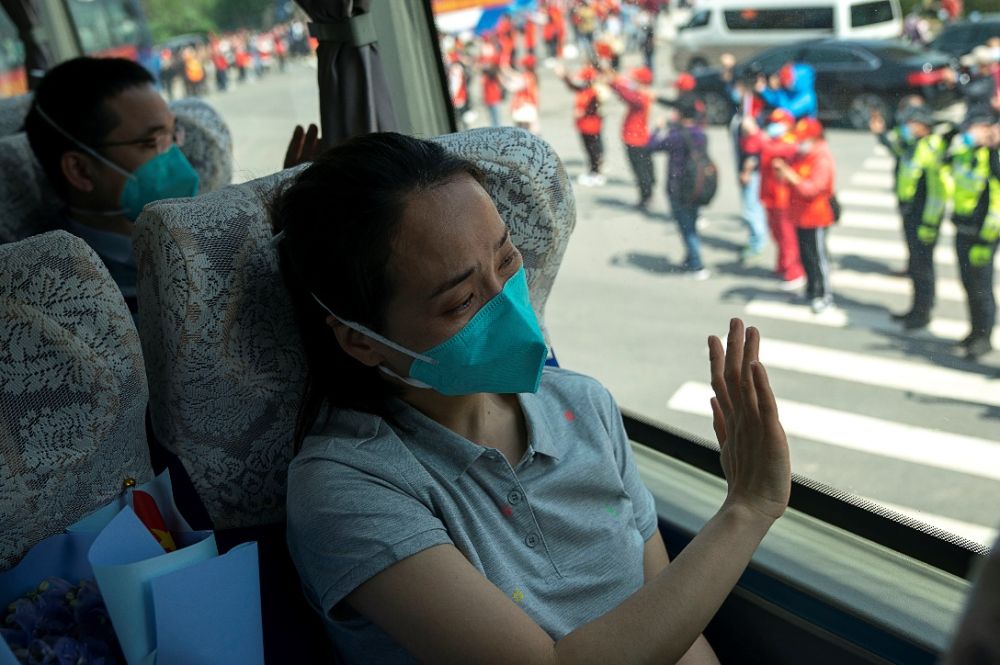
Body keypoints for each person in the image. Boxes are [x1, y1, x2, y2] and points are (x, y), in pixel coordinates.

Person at [272, 131, 791, 664]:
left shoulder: (584, 406)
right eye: (461, 301)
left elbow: (668, 625)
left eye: (506, 260)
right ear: (361, 340)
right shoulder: (347, 487)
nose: (506, 303)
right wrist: (747, 508)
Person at [22, 57, 201, 313]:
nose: (174, 156)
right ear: (80, 170)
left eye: (172, 135)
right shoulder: (58, 292)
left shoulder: (205, 232)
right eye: (151, 142)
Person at [883, 105, 949, 330]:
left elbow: (938, 192)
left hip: (925, 218)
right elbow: (896, 151)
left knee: (923, 267)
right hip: (910, 212)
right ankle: (916, 308)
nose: (907, 127)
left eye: (911, 123)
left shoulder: (933, 148)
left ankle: (923, 312)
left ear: (923, 126)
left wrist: (930, 223)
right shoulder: (914, 143)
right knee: (916, 265)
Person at [946, 109, 999, 360]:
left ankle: (984, 338)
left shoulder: (995, 156)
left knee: (982, 287)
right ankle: (974, 331)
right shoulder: (966, 151)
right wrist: (965, 140)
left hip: (985, 234)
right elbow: (945, 156)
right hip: (963, 227)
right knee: (968, 283)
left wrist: (993, 145)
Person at [772, 118, 836, 313]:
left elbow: (812, 189)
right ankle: (811, 290)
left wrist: (789, 175)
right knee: (805, 256)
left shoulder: (821, 158)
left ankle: (824, 295)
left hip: (816, 217)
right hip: (799, 215)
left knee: (818, 258)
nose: (799, 143)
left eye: (802, 139)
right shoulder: (801, 155)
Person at [648, 98, 710, 278]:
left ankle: (697, 264)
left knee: (686, 227)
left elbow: (651, 146)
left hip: (678, 187)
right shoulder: (700, 134)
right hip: (697, 185)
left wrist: (658, 128)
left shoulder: (676, 136)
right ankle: (690, 258)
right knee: (691, 222)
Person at [744, 108, 806, 290]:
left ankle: (794, 272)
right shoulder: (770, 138)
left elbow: (772, 149)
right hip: (770, 196)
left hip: (785, 198)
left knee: (788, 236)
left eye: (778, 123)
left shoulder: (791, 140)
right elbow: (749, 147)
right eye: (772, 122)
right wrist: (752, 134)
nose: (774, 126)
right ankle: (782, 265)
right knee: (777, 233)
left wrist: (756, 133)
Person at [609, 65, 655, 211]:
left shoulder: (641, 96)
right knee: (643, 168)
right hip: (638, 137)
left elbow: (627, 95)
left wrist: (613, 83)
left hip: (635, 139)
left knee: (640, 169)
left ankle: (646, 197)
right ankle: (647, 194)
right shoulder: (642, 93)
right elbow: (626, 89)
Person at [556, 63, 606, 186]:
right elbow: (573, 86)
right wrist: (564, 76)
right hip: (584, 126)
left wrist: (583, 112)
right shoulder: (585, 89)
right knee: (589, 149)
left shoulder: (593, 92)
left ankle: (596, 173)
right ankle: (594, 171)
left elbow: (595, 106)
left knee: (593, 150)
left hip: (591, 126)